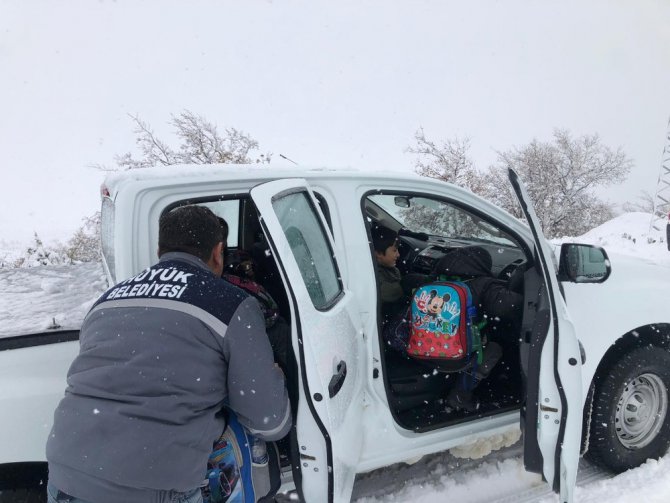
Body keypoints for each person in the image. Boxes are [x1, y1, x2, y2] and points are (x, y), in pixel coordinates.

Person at [46, 205, 291, 503]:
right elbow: (268, 421)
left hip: (66, 474)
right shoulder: (232, 304)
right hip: (153, 486)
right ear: (218, 251)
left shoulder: (107, 300)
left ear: (160, 249)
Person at [433, 245, 523, 411]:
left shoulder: (438, 279)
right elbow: (511, 306)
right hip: (456, 357)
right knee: (494, 350)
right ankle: (461, 395)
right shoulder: (483, 285)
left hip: (425, 347)